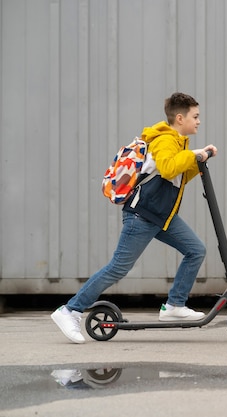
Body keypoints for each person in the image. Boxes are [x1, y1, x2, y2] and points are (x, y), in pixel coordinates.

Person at [51, 92, 217, 344]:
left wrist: (199, 159)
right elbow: (169, 167)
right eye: (196, 116)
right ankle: (70, 310)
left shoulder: (179, 142)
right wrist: (194, 154)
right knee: (118, 268)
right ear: (180, 118)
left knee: (196, 250)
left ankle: (174, 306)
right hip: (142, 215)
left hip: (161, 216)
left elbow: (176, 177)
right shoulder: (164, 140)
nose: (199, 121)